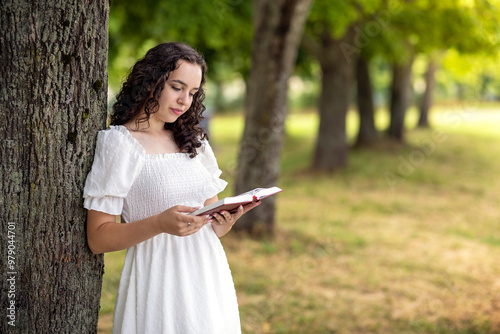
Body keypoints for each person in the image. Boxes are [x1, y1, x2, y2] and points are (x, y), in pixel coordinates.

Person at [83, 42, 259, 334]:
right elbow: (97, 238)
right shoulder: (120, 144)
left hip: (207, 275)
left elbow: (209, 225)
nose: (184, 101)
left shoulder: (194, 143)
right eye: (177, 87)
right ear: (152, 82)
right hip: (158, 279)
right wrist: (160, 223)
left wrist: (226, 220)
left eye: (192, 93)